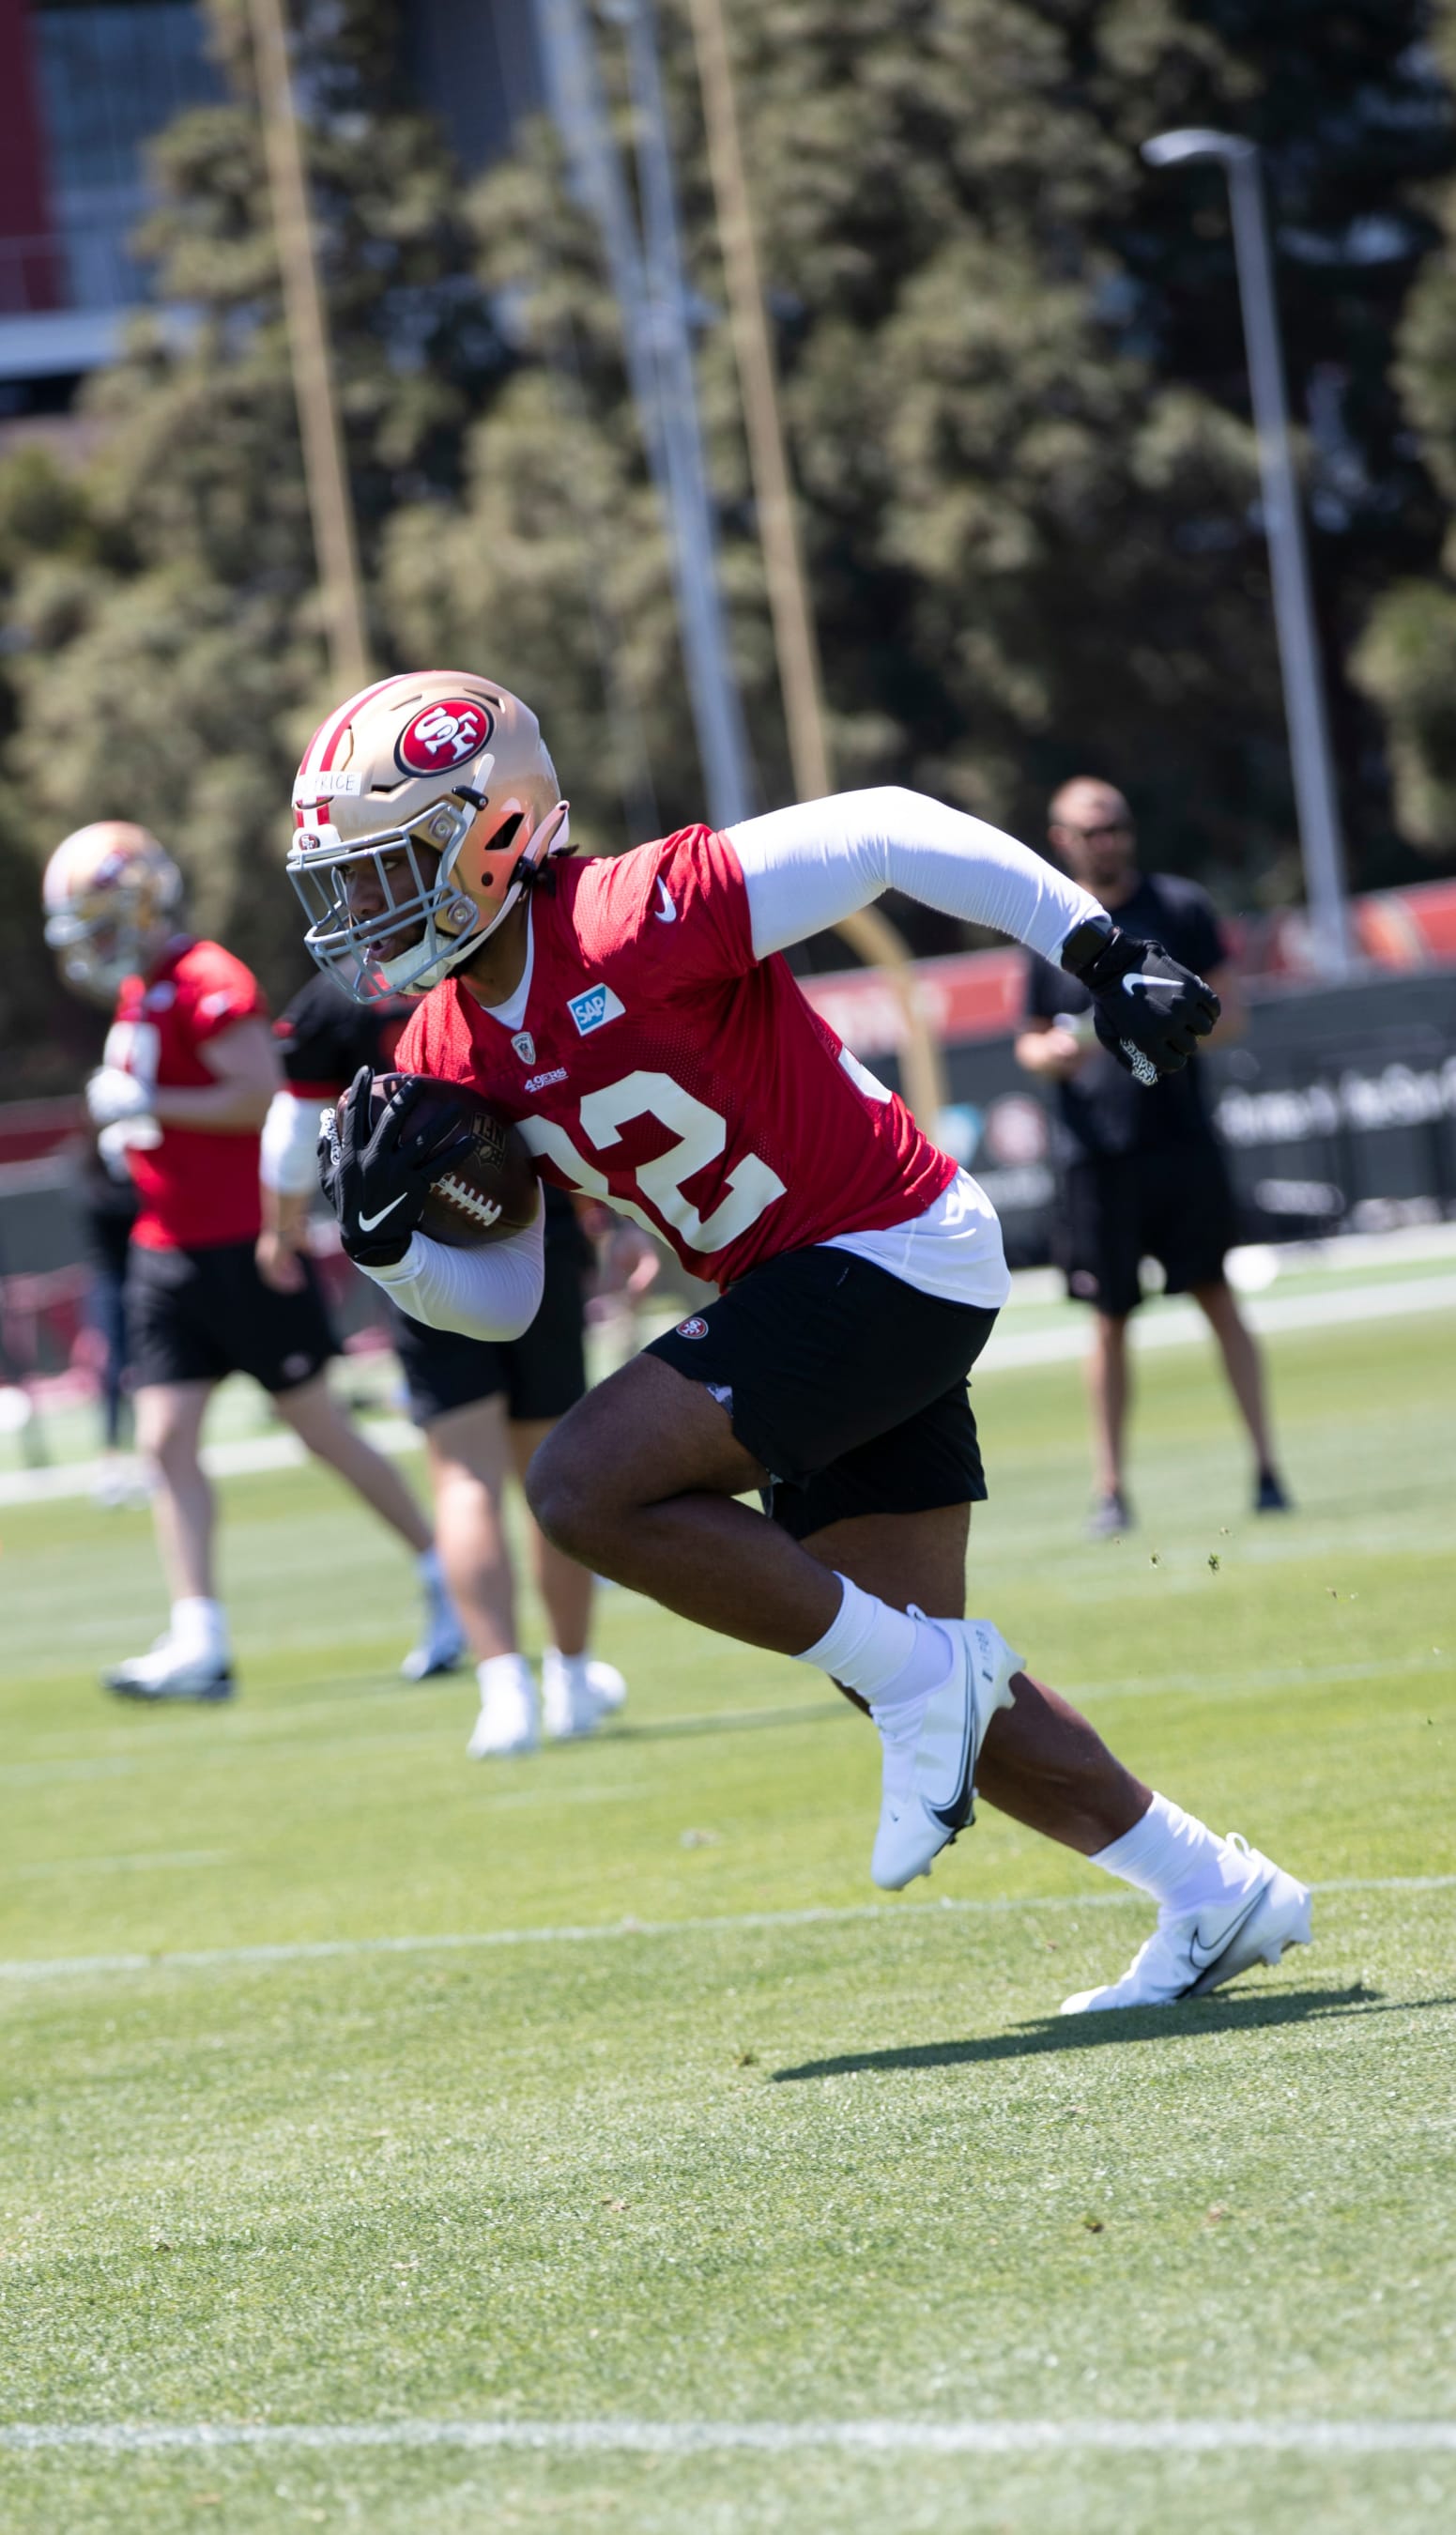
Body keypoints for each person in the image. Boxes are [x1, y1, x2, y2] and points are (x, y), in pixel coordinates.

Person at [287, 672, 1312, 2014]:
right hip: (812, 1289)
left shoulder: (630, 909)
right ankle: (1210, 1890)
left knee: (582, 1490)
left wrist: (1096, 946)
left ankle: (926, 1681)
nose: (363, 913)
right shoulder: (443, 1038)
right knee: (889, 1659)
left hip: (889, 1247)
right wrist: (397, 1252)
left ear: (495, 831)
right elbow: (506, 1301)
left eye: (390, 868)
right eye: (346, 883)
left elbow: (884, 827)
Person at [40, 821, 458, 1700]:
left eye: (106, 919)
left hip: (240, 1244)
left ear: (146, 904)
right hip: (167, 1246)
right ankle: (199, 1635)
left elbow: (256, 1092)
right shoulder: (141, 990)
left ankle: (443, 1571)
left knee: (321, 1431)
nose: (100, 941)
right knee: (164, 1441)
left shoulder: (203, 977)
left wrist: (149, 1101)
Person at [263, 966, 626, 1751]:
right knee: (550, 1470)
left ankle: (505, 1690)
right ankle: (570, 1678)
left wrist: (281, 1223)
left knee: (464, 1473)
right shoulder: (510, 955)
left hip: (420, 1245)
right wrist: (620, 1216)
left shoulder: (334, 996)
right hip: (536, 1228)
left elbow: (293, 1136)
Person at [1015, 777, 1291, 1536]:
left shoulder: (1179, 907)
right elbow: (1029, 1040)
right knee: (1106, 1319)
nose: (1107, 841)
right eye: (1089, 830)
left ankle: (1268, 1471)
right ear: (1061, 837)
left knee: (1216, 1297)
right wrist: (1062, 1047)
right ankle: (1110, 1492)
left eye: (1116, 827)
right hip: (1096, 1153)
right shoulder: (1048, 919)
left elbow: (1230, 1013)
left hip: (1178, 1140)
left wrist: (1173, 1017)